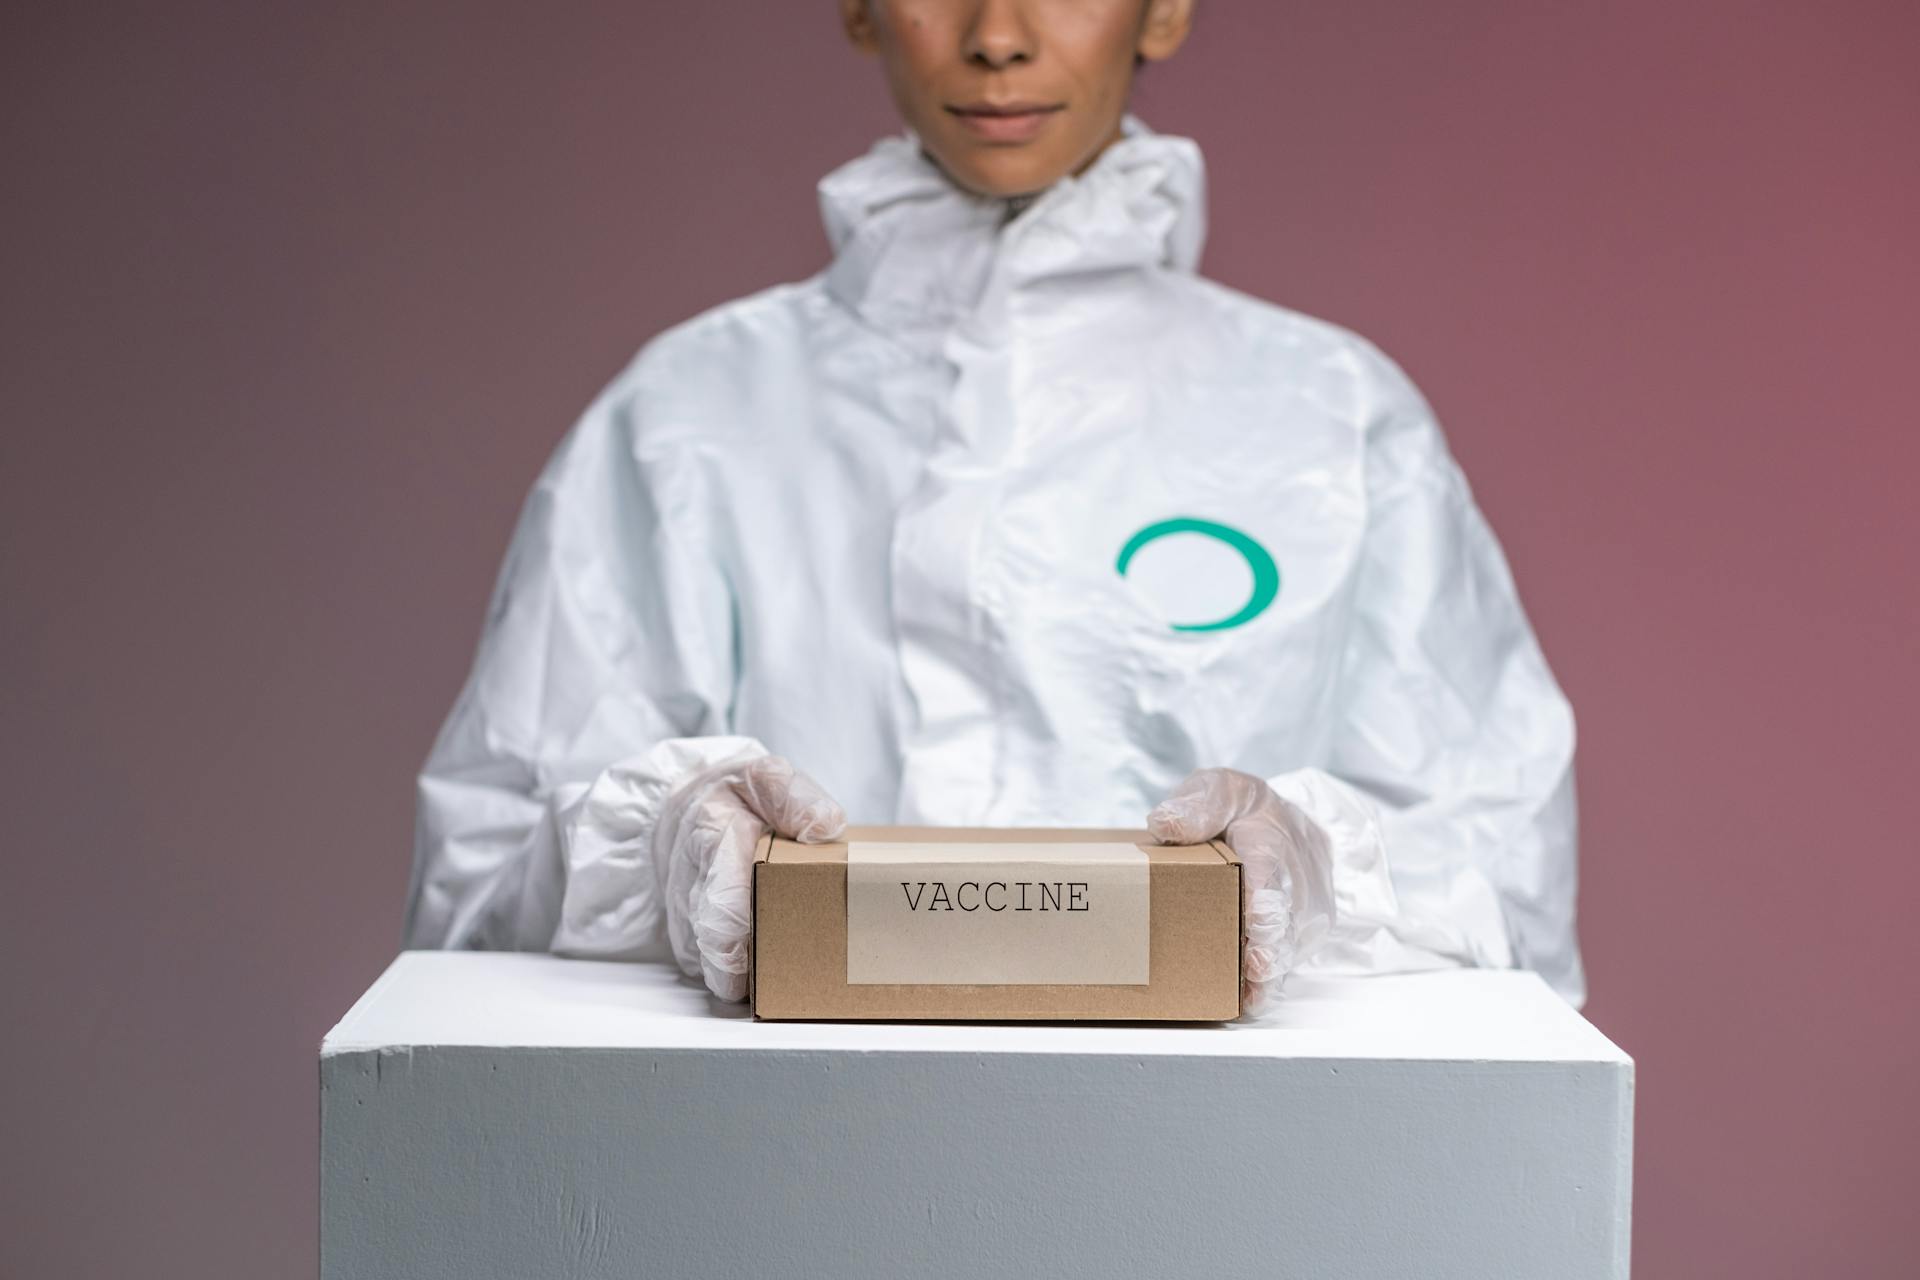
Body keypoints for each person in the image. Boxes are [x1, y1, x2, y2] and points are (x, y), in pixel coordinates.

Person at [402, 0, 1584, 1015]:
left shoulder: (1332, 418)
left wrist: (1324, 878)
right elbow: (474, 889)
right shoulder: (688, 415)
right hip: (782, 1179)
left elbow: (1507, 880)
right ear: (857, 5)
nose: (998, 38)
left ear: (1166, 5)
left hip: (1220, 1184)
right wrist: (655, 850)